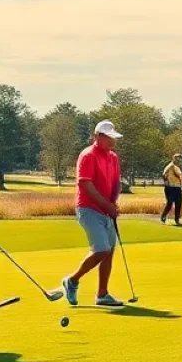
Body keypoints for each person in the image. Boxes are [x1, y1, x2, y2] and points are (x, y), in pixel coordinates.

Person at [61, 121, 124, 308]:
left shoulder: (113, 157)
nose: (112, 140)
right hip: (88, 209)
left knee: (109, 252)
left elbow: (116, 182)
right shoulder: (88, 155)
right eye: (108, 137)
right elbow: (85, 184)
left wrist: (112, 202)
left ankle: (102, 294)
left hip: (106, 209)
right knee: (102, 249)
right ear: (97, 136)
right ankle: (72, 280)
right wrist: (106, 205)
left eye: (113, 137)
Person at [161, 153, 182, 226]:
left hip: (174, 187)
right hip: (172, 188)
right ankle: (166, 217)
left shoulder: (173, 166)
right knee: (173, 203)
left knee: (175, 204)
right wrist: (167, 182)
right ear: (174, 159)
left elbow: (164, 175)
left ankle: (174, 219)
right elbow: (165, 175)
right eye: (178, 159)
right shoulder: (172, 166)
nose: (180, 161)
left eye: (180, 160)